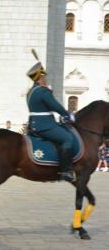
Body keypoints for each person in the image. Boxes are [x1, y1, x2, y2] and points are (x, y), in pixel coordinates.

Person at [26, 52, 75, 182]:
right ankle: (66, 171)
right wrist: (67, 114)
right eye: (44, 77)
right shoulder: (43, 91)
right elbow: (55, 106)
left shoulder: (30, 92)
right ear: (40, 78)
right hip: (45, 125)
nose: (46, 79)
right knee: (67, 138)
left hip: (33, 124)